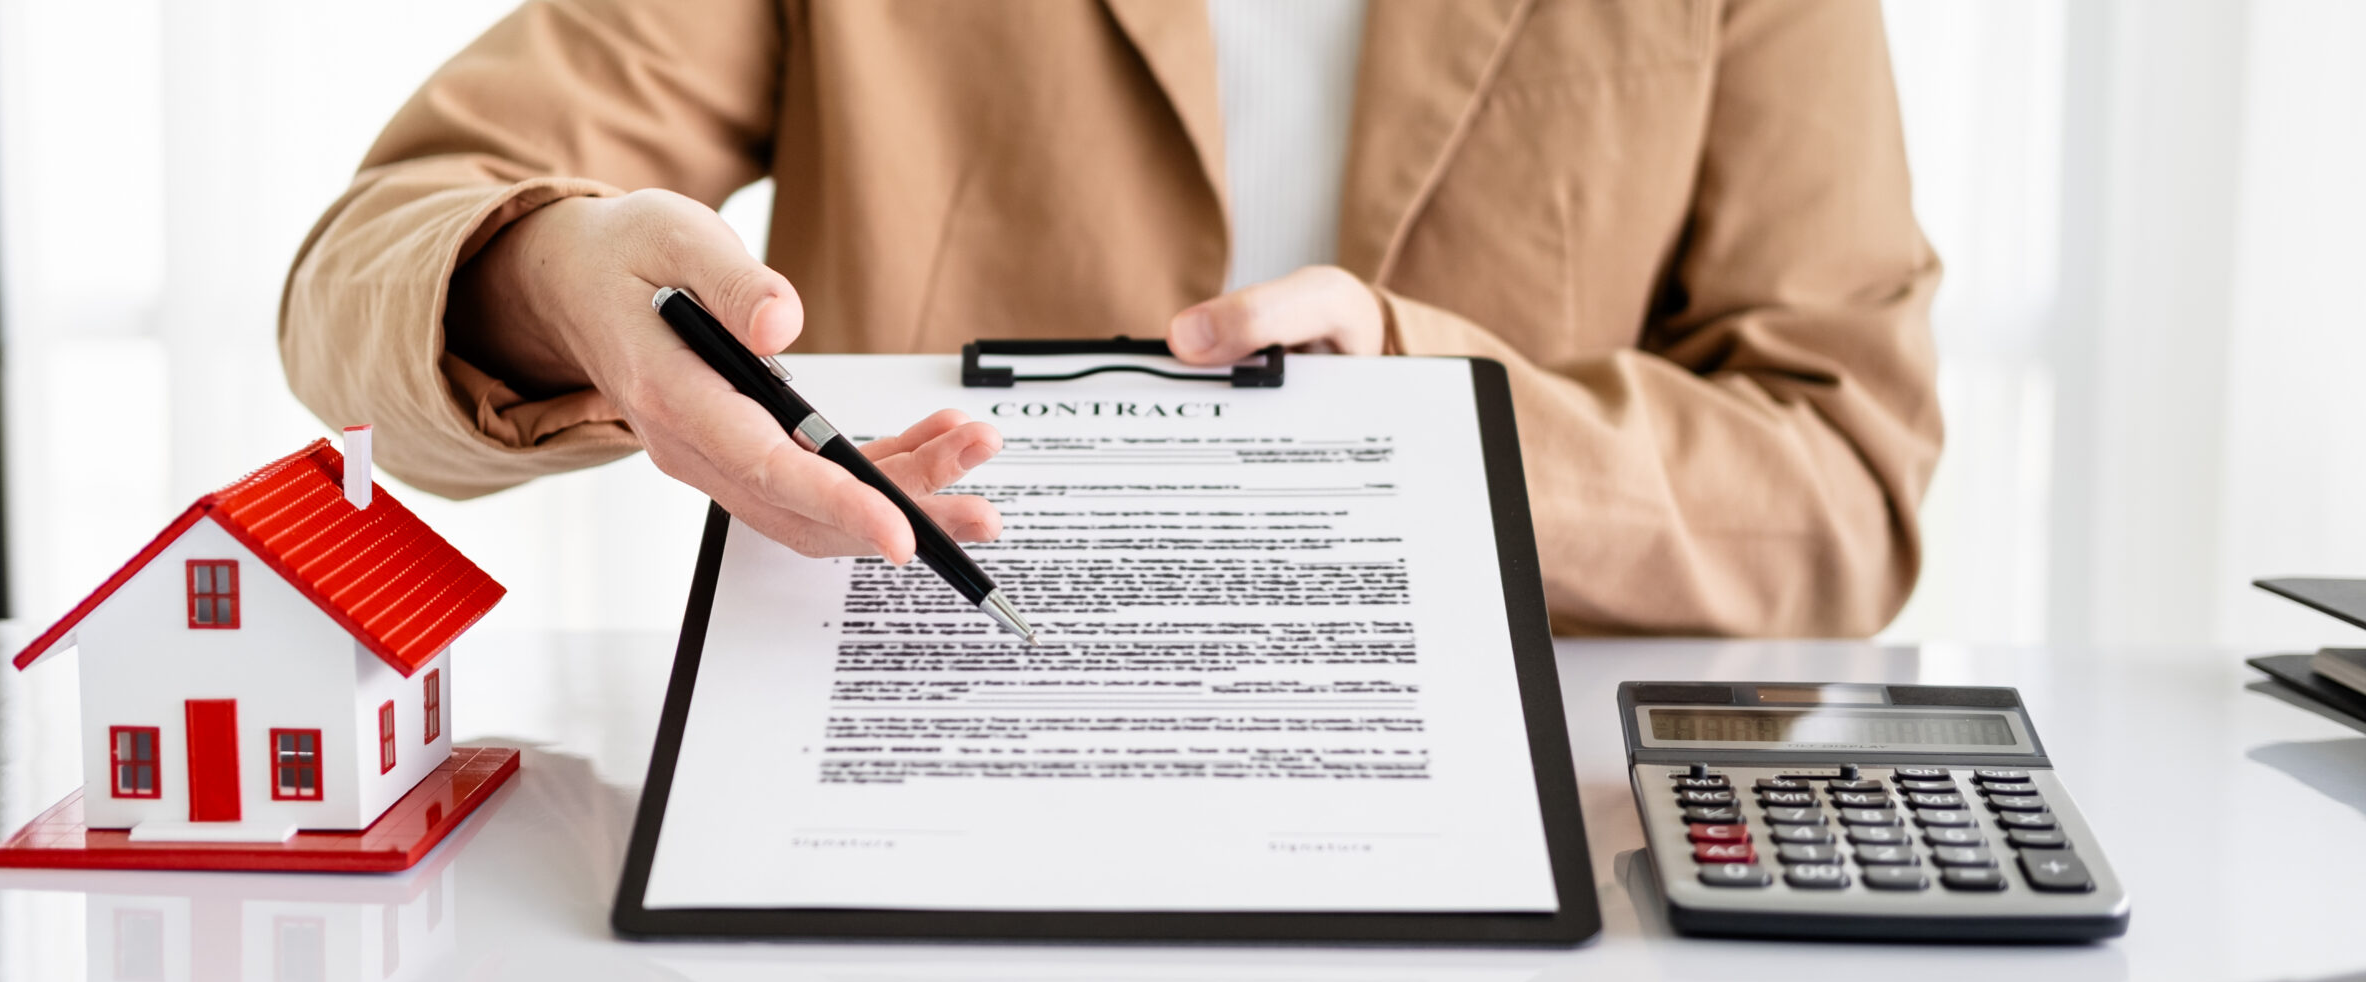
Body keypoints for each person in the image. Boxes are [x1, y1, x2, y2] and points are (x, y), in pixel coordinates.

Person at [280, 0, 1941, 636]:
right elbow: (363, 266)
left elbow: (1846, 494)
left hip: (1524, 836)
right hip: (923, 788)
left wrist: (1432, 416)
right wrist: (554, 275)